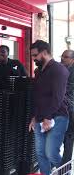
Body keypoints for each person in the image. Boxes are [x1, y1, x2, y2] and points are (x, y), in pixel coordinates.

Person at [28, 40, 69, 175]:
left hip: (58, 117)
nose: (33, 59)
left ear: (44, 52)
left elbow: (58, 97)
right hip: (40, 117)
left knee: (50, 153)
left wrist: (48, 117)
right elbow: (38, 97)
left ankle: (65, 172)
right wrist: (34, 117)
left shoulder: (59, 70)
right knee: (40, 153)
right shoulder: (39, 71)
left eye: (35, 55)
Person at [61, 50, 74, 165]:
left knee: (68, 137)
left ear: (72, 59)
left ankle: (66, 164)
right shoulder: (64, 69)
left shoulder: (72, 71)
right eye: (62, 56)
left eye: (65, 57)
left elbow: (66, 89)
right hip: (66, 108)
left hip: (70, 109)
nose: (62, 58)